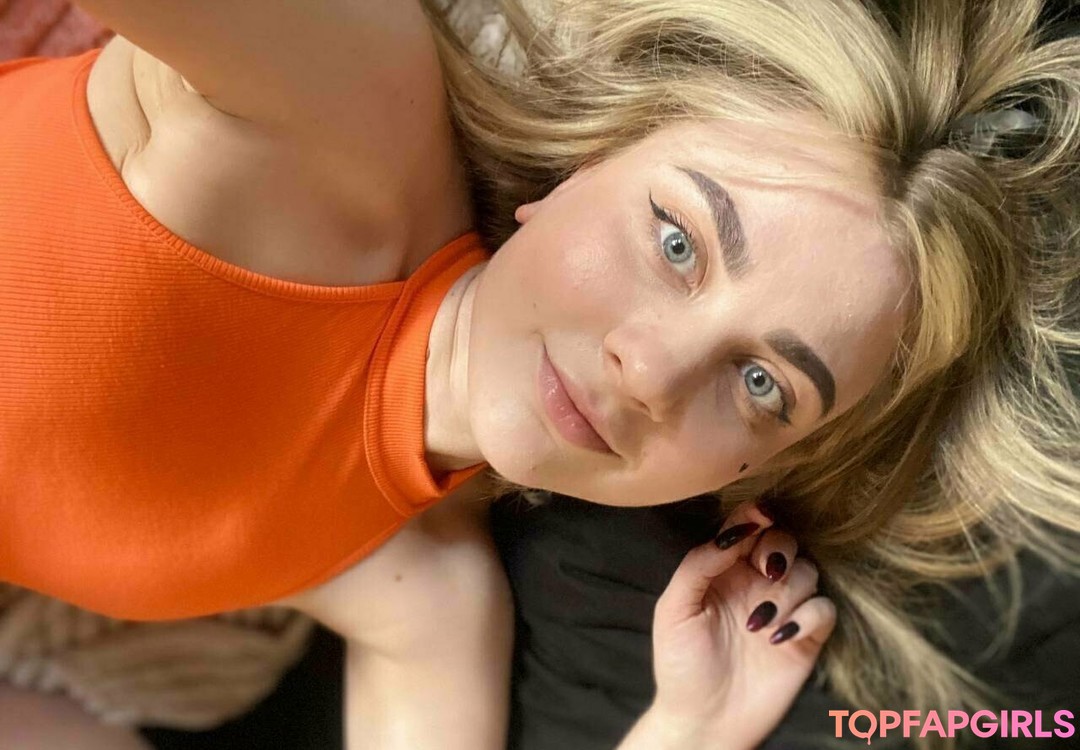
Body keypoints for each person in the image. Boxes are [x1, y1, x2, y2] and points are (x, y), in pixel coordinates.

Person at [0, 0, 1075, 748]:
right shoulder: (347, 106)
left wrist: (687, 732)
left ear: (756, 471)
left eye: (761, 386)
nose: (653, 372)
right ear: (577, 170)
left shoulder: (426, 599)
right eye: (678, 241)